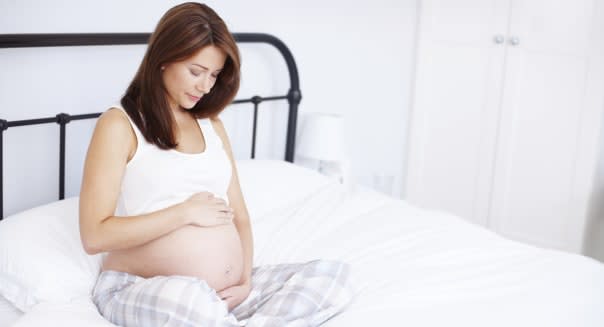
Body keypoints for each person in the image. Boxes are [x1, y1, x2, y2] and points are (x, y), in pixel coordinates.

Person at [78, 2, 354, 326]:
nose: (205, 86)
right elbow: (94, 235)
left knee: (333, 279)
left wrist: (245, 283)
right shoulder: (120, 125)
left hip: (225, 297)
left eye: (214, 75)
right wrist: (184, 213)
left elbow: (240, 216)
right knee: (196, 305)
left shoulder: (212, 126)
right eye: (196, 72)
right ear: (163, 59)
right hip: (139, 287)